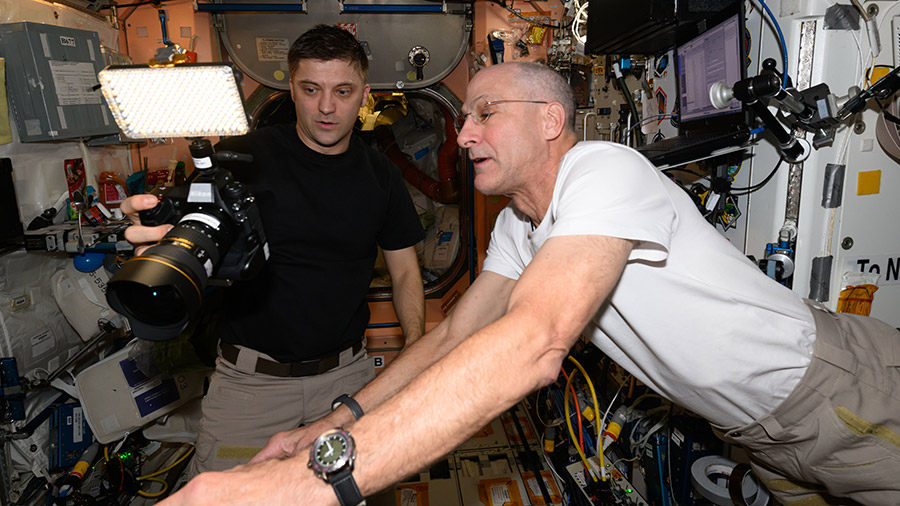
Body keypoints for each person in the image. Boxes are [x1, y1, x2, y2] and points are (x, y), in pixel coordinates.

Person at [157, 62, 900, 506]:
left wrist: (306, 486)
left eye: (485, 113)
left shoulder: (601, 171)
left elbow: (535, 341)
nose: (463, 133)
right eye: (464, 116)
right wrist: (333, 423)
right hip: (754, 430)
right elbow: (454, 334)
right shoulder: (521, 222)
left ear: (550, 120)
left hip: (832, 389)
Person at [120, 24, 426, 476]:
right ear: (291, 88)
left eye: (343, 90)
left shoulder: (380, 176)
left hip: (346, 381)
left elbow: (404, 273)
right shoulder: (242, 159)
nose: (327, 106)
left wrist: (416, 352)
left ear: (364, 93)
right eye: (311, 89)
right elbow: (186, 229)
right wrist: (151, 229)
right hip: (250, 386)